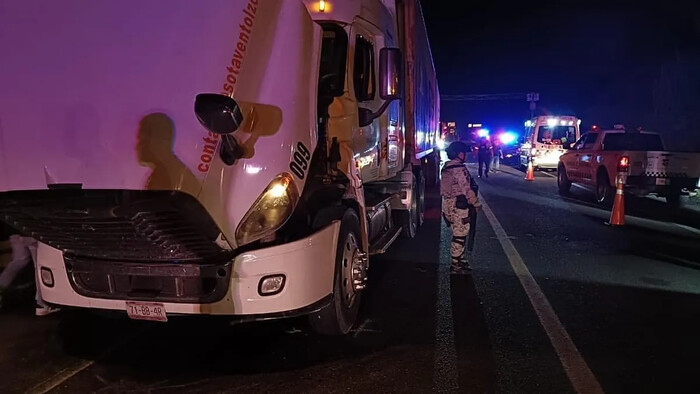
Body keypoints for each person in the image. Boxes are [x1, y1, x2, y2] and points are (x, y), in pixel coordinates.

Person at [441, 141, 482, 274]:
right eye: (464, 153)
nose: (466, 156)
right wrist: (475, 203)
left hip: (450, 205)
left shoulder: (448, 167)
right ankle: (456, 264)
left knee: (461, 232)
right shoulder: (458, 169)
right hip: (458, 206)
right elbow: (466, 188)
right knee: (460, 234)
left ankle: (460, 259)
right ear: (459, 154)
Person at [0, 229, 60, 316]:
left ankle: (1, 284)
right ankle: (42, 304)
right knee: (39, 266)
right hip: (33, 233)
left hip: (15, 230)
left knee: (19, 261)